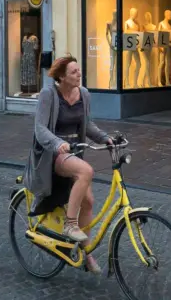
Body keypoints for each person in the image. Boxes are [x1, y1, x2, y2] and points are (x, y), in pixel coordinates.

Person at [25, 56, 112, 273]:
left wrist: (105, 139)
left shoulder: (83, 94)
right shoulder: (48, 94)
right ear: (62, 77)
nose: (79, 74)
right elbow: (40, 129)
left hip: (75, 153)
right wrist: (58, 143)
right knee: (86, 171)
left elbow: (87, 124)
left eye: (78, 70)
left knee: (89, 202)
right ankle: (70, 224)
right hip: (54, 154)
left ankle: (86, 254)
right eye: (74, 72)